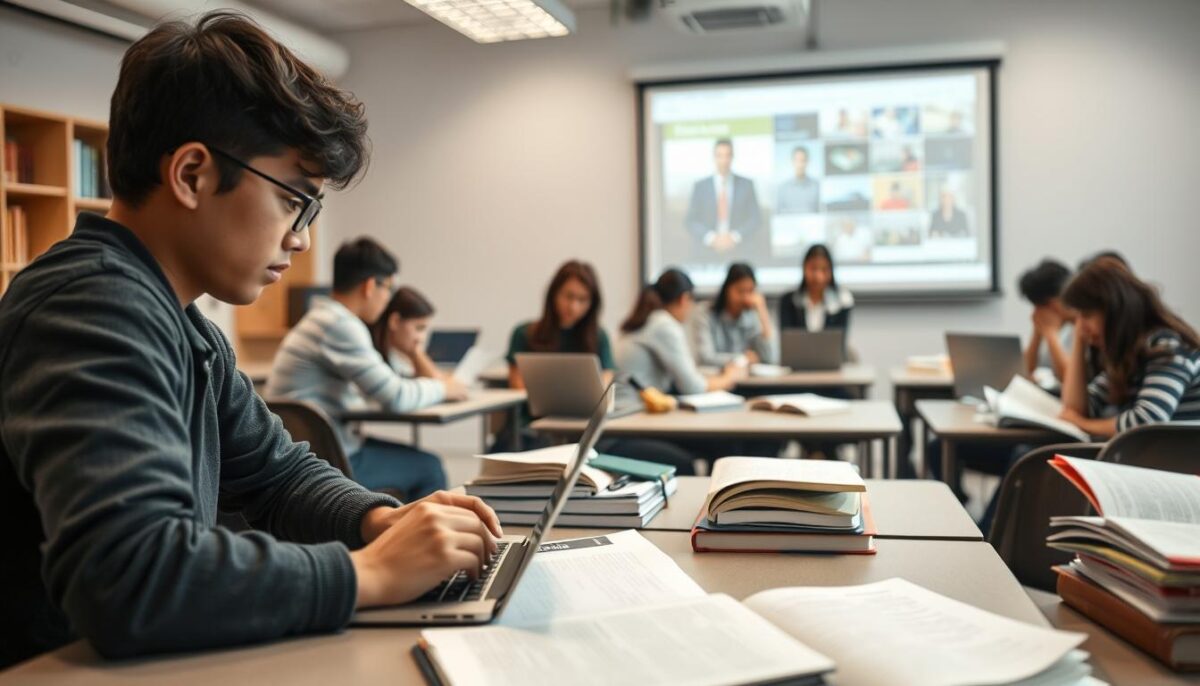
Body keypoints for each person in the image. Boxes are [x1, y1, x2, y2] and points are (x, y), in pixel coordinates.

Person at [0, 12, 501, 669]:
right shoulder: (93, 306)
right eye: (295, 200)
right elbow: (130, 576)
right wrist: (369, 574)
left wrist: (380, 522)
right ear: (192, 175)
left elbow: (277, 473)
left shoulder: (184, 326)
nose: (301, 239)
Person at [268, 238, 469, 501]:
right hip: (320, 460)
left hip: (308, 450)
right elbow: (396, 396)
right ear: (371, 285)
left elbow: (390, 381)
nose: (388, 300)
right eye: (389, 289)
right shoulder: (339, 325)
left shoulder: (325, 319)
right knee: (428, 467)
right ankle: (420, 541)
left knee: (417, 461)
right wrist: (443, 388)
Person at [617, 269, 766, 469]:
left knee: (720, 442)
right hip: (634, 422)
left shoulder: (648, 319)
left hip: (629, 419)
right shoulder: (664, 324)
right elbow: (693, 387)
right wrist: (729, 376)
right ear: (684, 299)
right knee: (723, 444)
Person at [1058, 258, 1200, 438]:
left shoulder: (1166, 345)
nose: (1080, 327)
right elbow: (1077, 408)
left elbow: (1146, 421)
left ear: (1114, 310)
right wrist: (1080, 342)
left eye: (1086, 315)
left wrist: (1082, 424)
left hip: (1182, 462)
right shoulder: (1129, 355)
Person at [495, 260, 614, 451]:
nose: (574, 307)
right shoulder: (525, 334)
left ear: (592, 303)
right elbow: (517, 387)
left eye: (583, 300)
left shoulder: (599, 338)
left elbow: (603, 390)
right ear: (553, 294)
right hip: (532, 428)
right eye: (568, 296)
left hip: (583, 427)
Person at [689, 262, 777, 367]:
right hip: (715, 379)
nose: (745, 297)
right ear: (727, 289)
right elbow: (705, 358)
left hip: (745, 380)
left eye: (750, 291)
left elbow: (771, 358)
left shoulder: (752, 316)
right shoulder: (704, 313)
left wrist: (762, 311)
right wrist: (743, 359)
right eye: (740, 291)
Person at [684, 139, 762, 253]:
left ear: (732, 157)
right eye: (720, 156)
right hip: (706, 249)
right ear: (714, 157)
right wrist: (711, 238)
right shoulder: (700, 186)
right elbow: (690, 221)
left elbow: (755, 219)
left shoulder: (746, 185)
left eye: (727, 155)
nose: (724, 160)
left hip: (740, 248)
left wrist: (734, 237)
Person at [1017, 259, 1074, 381]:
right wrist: (1037, 331)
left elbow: (1071, 379)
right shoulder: (1055, 325)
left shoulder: (1085, 327)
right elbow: (1025, 371)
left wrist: (1050, 333)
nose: (1042, 313)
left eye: (1044, 305)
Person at [370, 286, 444, 379]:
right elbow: (435, 381)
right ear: (395, 321)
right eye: (418, 328)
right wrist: (416, 352)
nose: (422, 338)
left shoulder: (393, 359)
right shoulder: (372, 356)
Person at [779, 244, 854, 333]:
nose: (818, 277)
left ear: (831, 271)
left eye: (824, 269)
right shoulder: (789, 301)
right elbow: (788, 341)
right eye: (813, 269)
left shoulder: (842, 300)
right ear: (804, 268)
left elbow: (839, 341)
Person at [776, 146, 820, 214]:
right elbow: (778, 215)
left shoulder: (817, 186)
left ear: (807, 162)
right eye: (797, 160)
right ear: (792, 162)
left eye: (803, 160)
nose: (800, 165)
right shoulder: (782, 188)